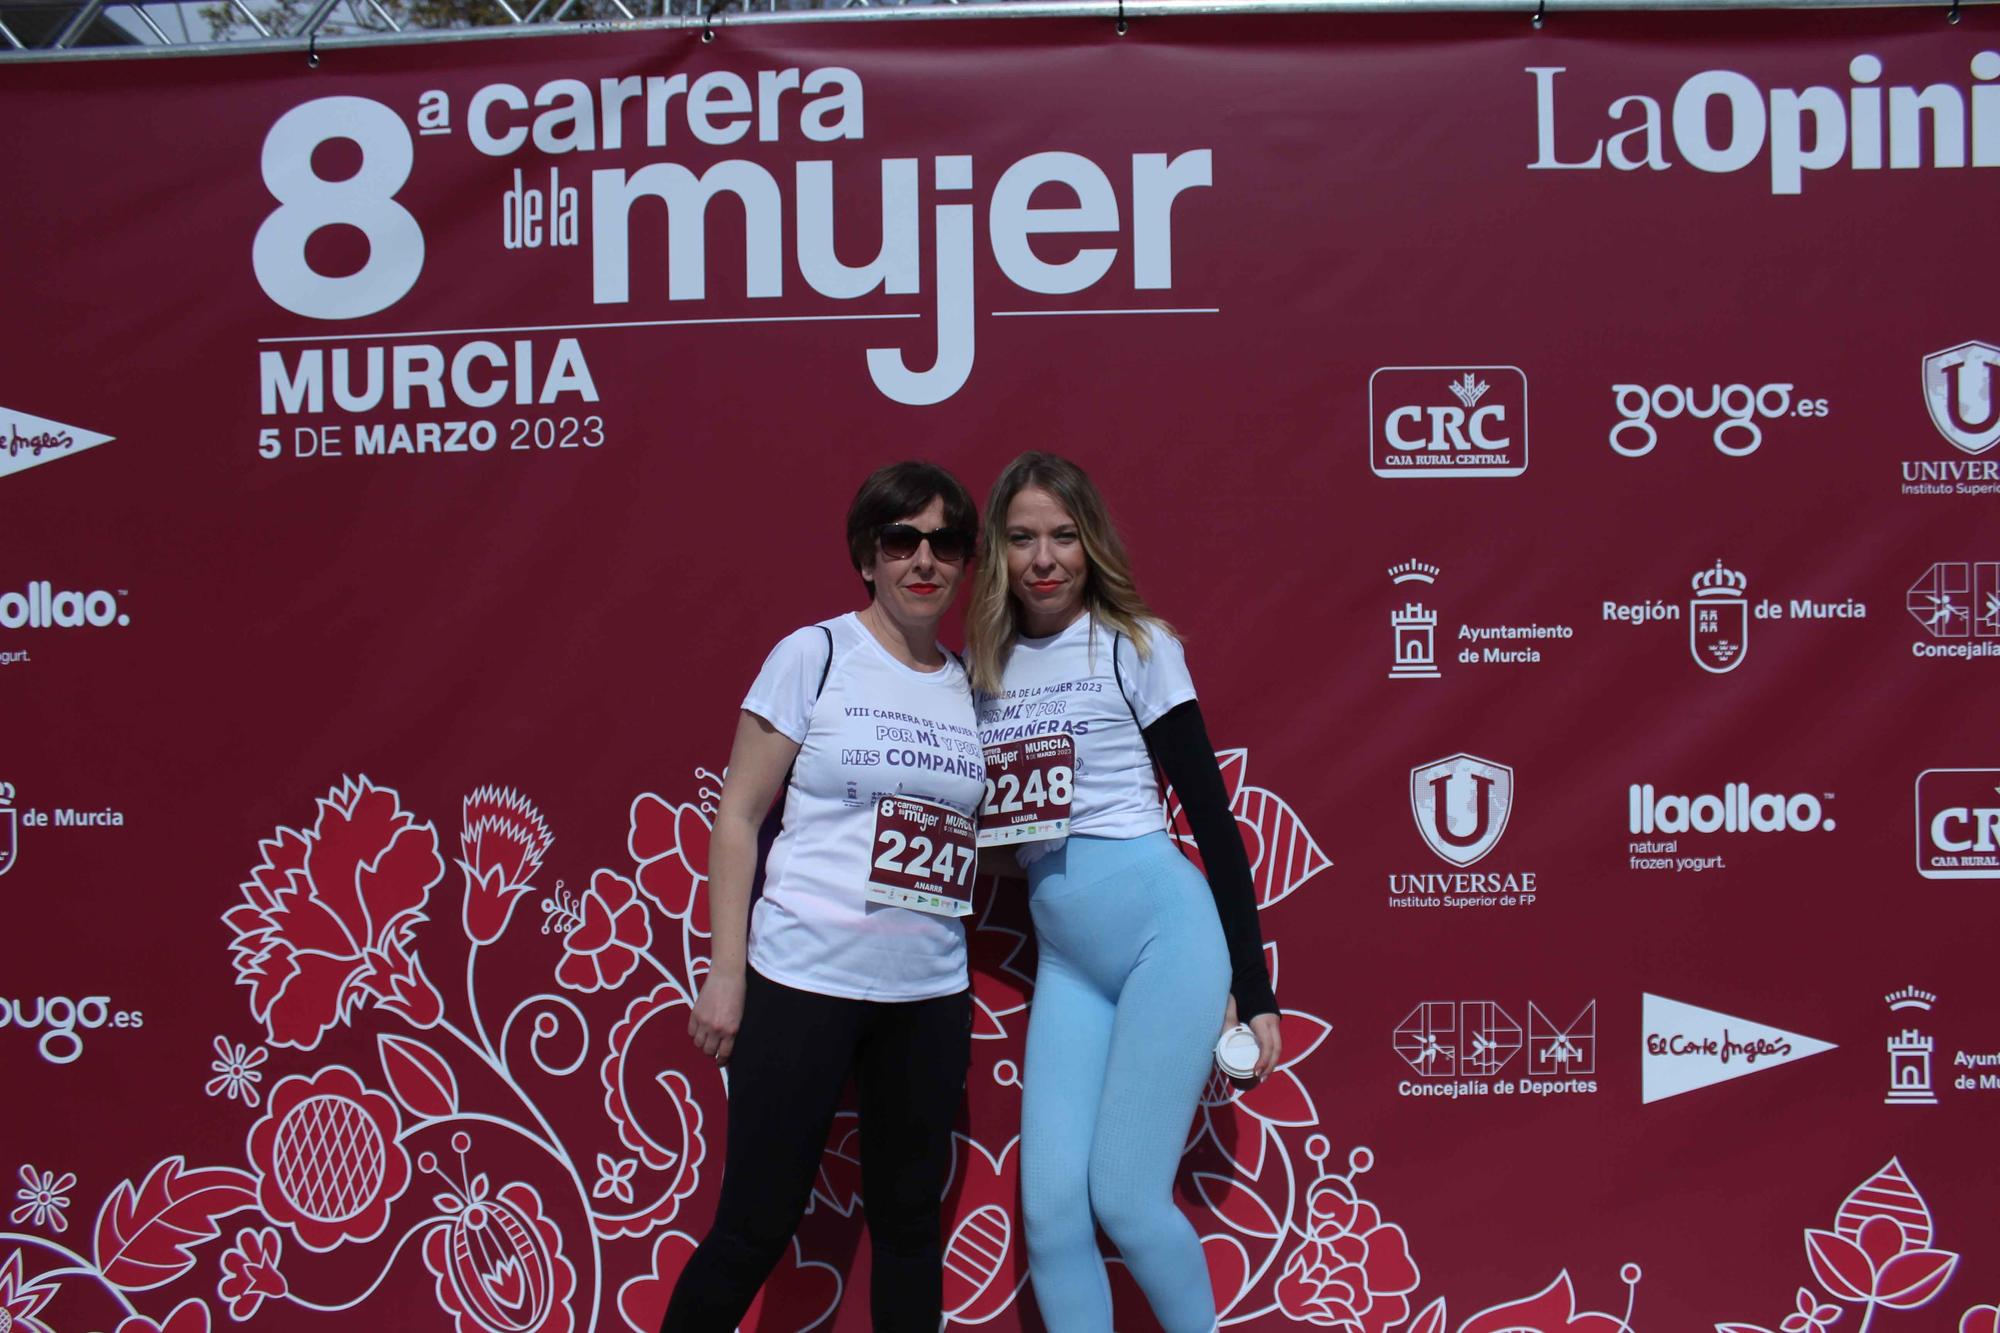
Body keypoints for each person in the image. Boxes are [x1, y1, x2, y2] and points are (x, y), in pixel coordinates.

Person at [661, 461, 985, 1333]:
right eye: (901, 540)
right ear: (867, 556)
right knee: (754, 1226)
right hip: (800, 980)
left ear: (964, 563)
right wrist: (726, 973)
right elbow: (737, 818)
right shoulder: (816, 653)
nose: (925, 559)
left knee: (913, 1231)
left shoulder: (970, 687)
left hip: (926, 996)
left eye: (945, 542)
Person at [965, 452, 1281, 1333]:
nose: (1045, 559)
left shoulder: (1136, 643)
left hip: (1162, 938)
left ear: (1091, 542)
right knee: (1054, 1217)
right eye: (1023, 538)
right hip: (1068, 960)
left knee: (1130, 1201)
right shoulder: (981, 671)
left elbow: (1214, 822)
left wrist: (1252, 990)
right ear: (997, 551)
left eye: (1063, 536)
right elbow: (1006, 840)